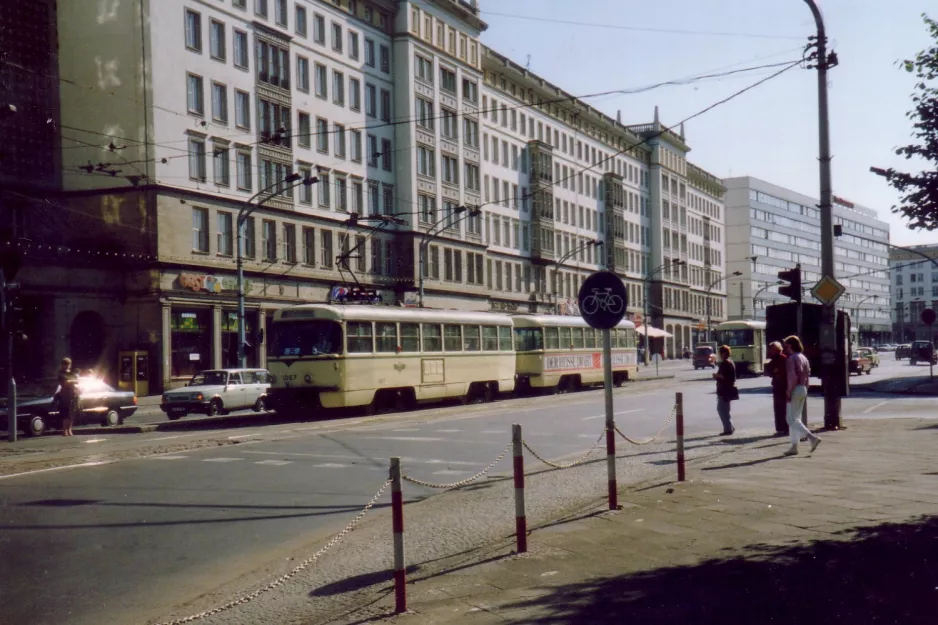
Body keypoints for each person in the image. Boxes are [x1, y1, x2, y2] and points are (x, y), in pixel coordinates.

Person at [782, 336, 821, 456]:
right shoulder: (803, 358)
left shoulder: (792, 359)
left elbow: (792, 377)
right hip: (803, 388)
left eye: (787, 345)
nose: (785, 348)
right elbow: (807, 375)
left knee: (791, 419)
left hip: (795, 389)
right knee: (796, 418)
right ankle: (794, 446)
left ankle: (811, 437)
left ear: (790, 345)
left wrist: (789, 391)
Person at [713, 345, 737, 435]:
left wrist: (717, 376)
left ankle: (728, 429)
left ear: (723, 353)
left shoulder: (726, 363)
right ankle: (730, 427)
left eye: (720, 353)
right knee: (725, 410)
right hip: (726, 388)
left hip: (725, 389)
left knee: (722, 409)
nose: (720, 355)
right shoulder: (728, 362)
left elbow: (725, 377)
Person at [765, 341, 788, 436]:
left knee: (782, 408)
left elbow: (780, 371)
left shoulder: (783, 358)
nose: (769, 351)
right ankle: (780, 428)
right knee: (778, 408)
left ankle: (783, 428)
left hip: (782, 386)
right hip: (777, 385)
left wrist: (775, 371)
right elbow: (770, 371)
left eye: (771, 349)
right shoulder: (774, 359)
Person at [57, 357, 80, 437]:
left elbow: (77, 381)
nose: (67, 366)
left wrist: (70, 381)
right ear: (62, 365)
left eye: (68, 364)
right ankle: (64, 430)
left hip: (73, 394)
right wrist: (71, 381)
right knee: (65, 413)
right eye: (65, 364)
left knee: (71, 413)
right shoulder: (61, 373)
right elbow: (65, 382)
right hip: (65, 395)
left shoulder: (71, 373)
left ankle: (69, 429)